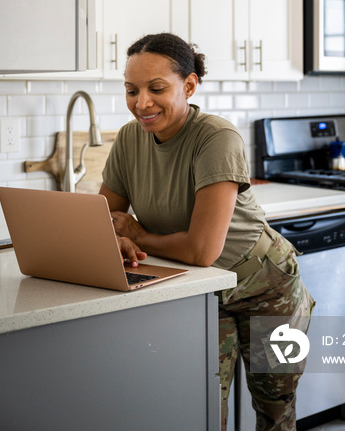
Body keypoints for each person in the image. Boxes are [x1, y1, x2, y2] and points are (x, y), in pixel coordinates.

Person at [100, 32, 315, 431]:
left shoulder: (217, 138)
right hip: (199, 291)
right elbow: (105, 217)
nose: (141, 103)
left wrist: (137, 234)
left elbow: (202, 249)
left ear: (189, 85)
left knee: (275, 408)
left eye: (156, 88)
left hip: (266, 286)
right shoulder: (130, 139)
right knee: (200, 409)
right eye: (131, 90)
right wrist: (118, 234)